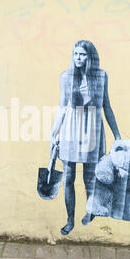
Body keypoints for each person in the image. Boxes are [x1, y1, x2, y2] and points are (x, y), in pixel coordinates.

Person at [50, 40, 121, 235]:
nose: (78, 58)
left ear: (90, 56)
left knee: (90, 177)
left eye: (82, 54)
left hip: (92, 129)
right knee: (69, 177)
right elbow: (62, 107)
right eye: (75, 54)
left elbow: (107, 106)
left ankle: (90, 211)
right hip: (70, 130)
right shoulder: (66, 77)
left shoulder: (101, 76)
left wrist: (117, 134)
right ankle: (70, 219)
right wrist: (54, 132)